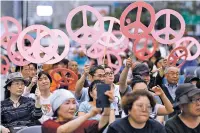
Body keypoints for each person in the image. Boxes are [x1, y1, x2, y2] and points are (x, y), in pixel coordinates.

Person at [42, 89, 113, 133]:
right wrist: (89, 114)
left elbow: (101, 124)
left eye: (74, 103)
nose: (72, 107)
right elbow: (62, 130)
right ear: (56, 107)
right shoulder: (48, 124)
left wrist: (107, 105)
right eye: (67, 103)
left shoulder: (80, 122)